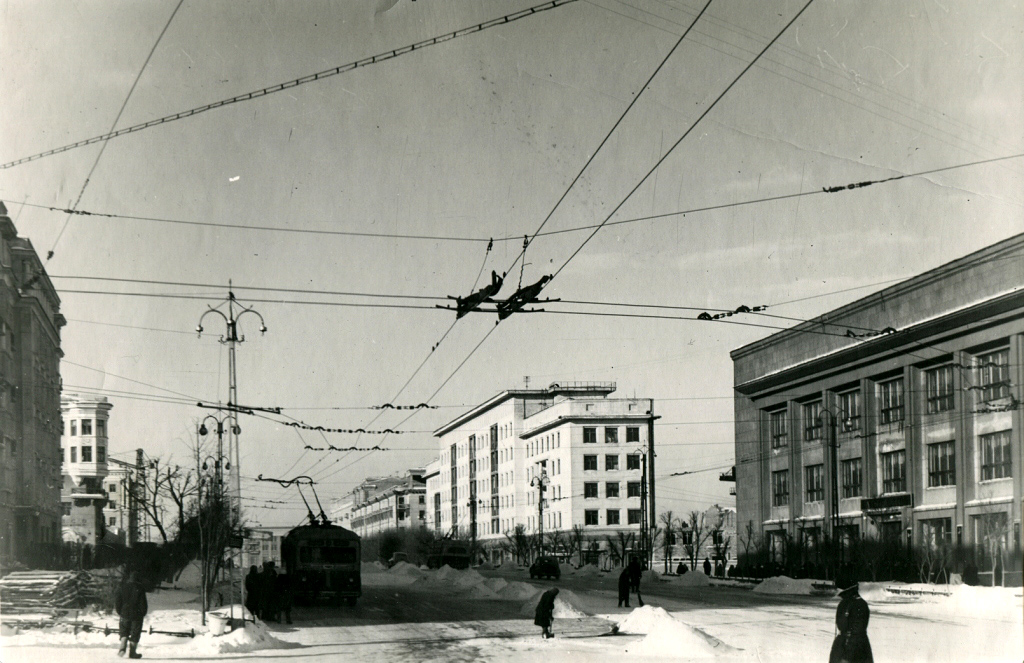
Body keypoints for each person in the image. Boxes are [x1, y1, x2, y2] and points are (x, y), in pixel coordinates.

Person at [829, 575, 873, 663]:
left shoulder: (859, 604)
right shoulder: (846, 602)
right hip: (843, 646)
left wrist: (846, 657)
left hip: (853, 651)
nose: (836, 589)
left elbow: (857, 632)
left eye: (838, 587)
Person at [115, 570, 148, 659]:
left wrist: (120, 612)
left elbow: (118, 601)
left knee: (124, 631)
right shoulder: (140, 588)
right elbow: (143, 603)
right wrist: (142, 613)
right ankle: (132, 652)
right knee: (135, 633)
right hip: (136, 615)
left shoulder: (123, 587)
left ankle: (122, 648)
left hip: (124, 613)